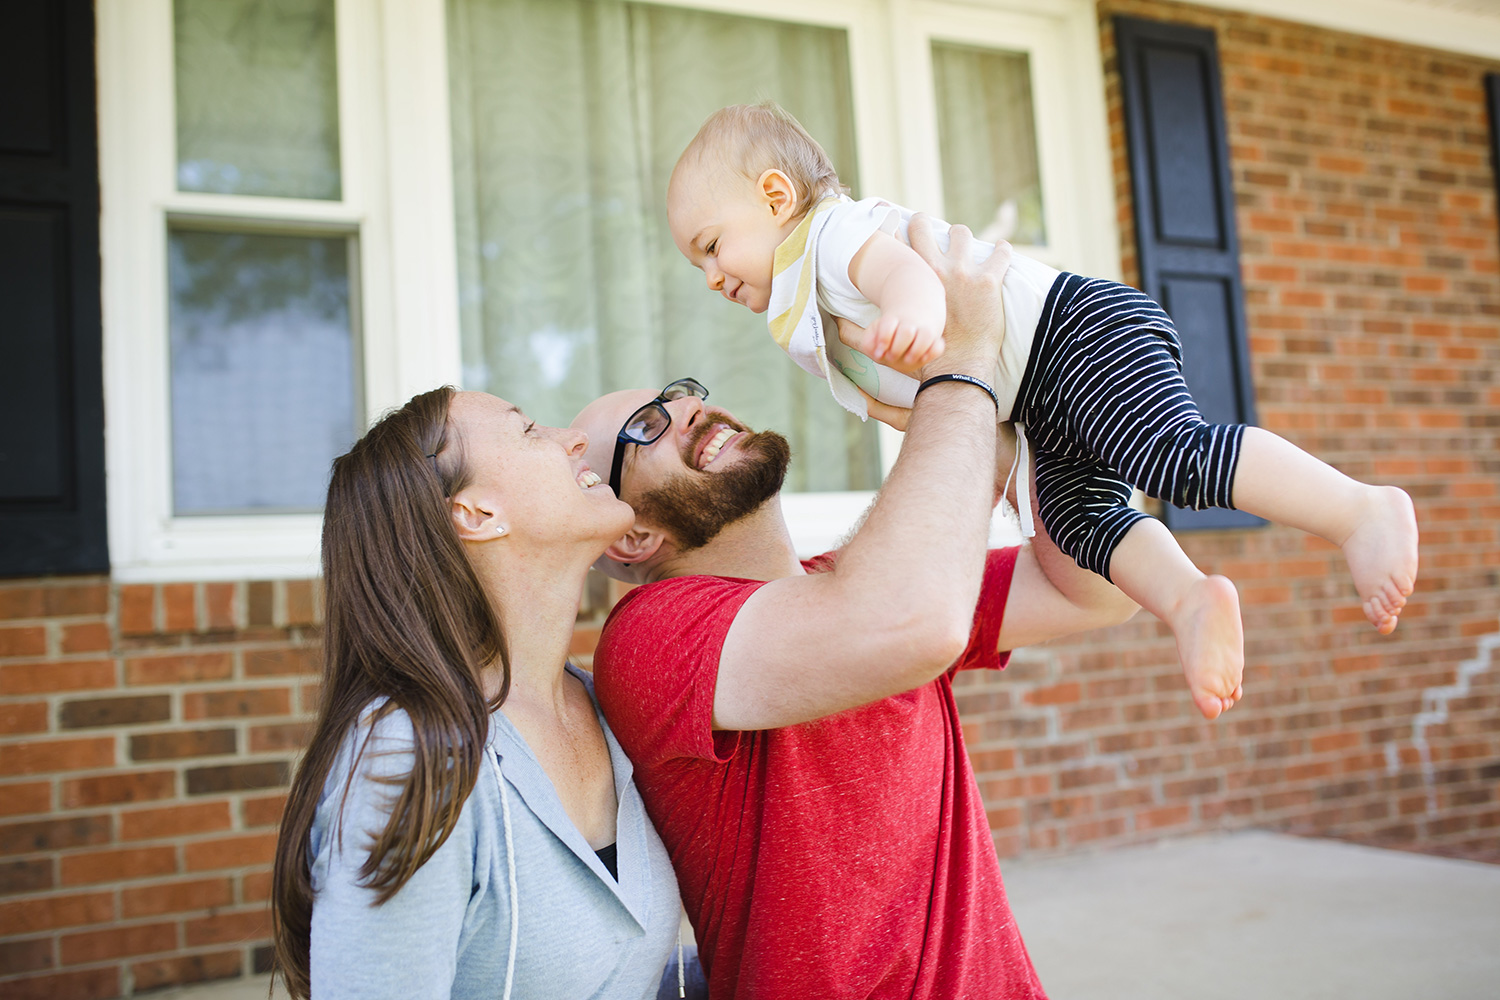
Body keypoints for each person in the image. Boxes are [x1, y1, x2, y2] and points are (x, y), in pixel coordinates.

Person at [664, 100, 1419, 720]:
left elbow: (904, 274)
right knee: (1077, 524)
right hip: (1032, 400)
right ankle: (1188, 598)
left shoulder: (826, 237)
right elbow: (916, 409)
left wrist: (916, 313)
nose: (708, 276)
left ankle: (1359, 509)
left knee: (1167, 453)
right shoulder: (805, 314)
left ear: (774, 197)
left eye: (710, 245)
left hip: (1074, 330)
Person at [570, 220, 1139, 999]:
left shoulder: (858, 580)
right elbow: (909, 619)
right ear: (632, 535)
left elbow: (1096, 588)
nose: (686, 413)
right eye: (644, 430)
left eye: (679, 396)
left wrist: (1019, 427)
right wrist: (962, 371)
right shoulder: (651, 636)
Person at [269, 387, 697, 999]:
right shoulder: (410, 755)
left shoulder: (607, 706)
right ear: (474, 515)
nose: (573, 439)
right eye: (527, 432)